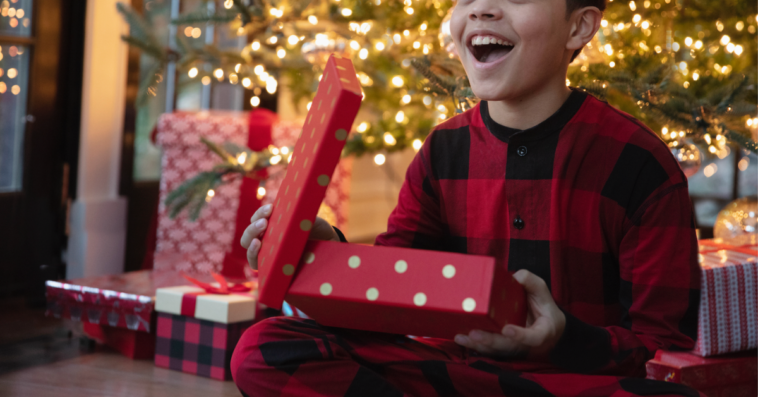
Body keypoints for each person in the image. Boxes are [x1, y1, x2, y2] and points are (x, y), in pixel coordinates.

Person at [231, 0, 703, 395]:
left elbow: (655, 344)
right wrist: (323, 250)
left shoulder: (641, 164)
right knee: (263, 348)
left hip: (568, 383)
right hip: (454, 373)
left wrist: (561, 338)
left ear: (578, 27)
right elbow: (390, 289)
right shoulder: (443, 150)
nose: (480, 10)